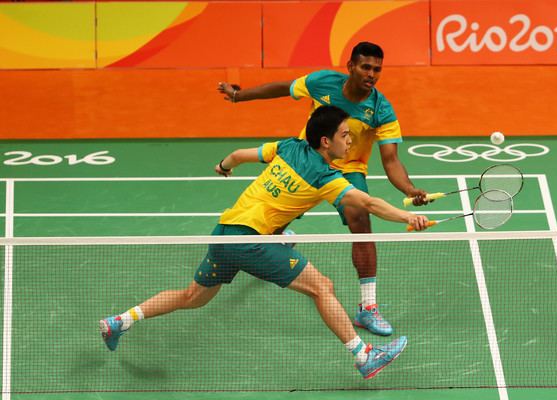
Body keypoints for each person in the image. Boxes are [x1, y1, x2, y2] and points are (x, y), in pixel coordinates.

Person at [99, 106, 429, 380]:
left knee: (194, 296)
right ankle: (363, 356)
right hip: (249, 241)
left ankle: (120, 322)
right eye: (345, 134)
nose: (351, 138)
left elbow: (239, 155)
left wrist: (223, 166)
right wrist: (408, 218)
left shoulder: (287, 146)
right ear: (326, 141)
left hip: (225, 231)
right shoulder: (325, 177)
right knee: (321, 287)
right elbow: (367, 204)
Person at [217, 42, 429, 337]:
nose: (371, 74)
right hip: (308, 157)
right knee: (273, 217)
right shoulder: (322, 82)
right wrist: (239, 96)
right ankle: (275, 240)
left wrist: (409, 188)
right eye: (366, 67)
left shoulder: (381, 109)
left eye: (377, 69)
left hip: (348, 169)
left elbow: (391, 160)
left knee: (362, 224)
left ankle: (367, 308)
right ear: (351, 66)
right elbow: (283, 88)